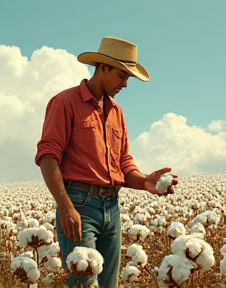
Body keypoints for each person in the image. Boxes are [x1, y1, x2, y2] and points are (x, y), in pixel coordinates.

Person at [35, 36, 178, 288]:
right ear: (103, 68)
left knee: (108, 283)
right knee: (85, 282)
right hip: (79, 205)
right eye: (122, 76)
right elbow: (48, 156)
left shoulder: (117, 112)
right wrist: (66, 208)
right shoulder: (65, 102)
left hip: (112, 205)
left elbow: (124, 163)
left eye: (128, 78)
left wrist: (145, 182)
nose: (125, 84)